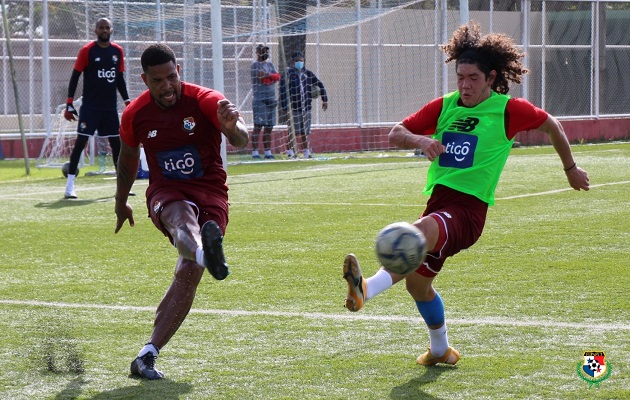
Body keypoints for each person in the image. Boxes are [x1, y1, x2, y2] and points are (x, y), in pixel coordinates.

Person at [343, 22, 590, 367]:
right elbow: (396, 132)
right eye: (460, 77)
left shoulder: (507, 109)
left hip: (468, 212)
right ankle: (441, 349)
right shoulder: (445, 106)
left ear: (490, 78)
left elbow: (553, 125)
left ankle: (366, 288)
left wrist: (570, 169)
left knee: (421, 231)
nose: (464, 85)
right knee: (418, 287)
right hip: (439, 202)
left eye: (473, 78)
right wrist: (420, 140)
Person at [114, 43, 248, 380]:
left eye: (171, 77)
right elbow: (128, 159)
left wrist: (232, 128)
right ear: (145, 80)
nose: (167, 86)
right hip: (167, 192)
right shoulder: (135, 114)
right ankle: (208, 257)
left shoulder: (205, 100)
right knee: (183, 224)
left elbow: (241, 139)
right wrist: (120, 201)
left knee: (188, 272)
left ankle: (147, 355)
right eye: (158, 80)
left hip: (211, 191)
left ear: (179, 72)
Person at [63, 17, 131, 199]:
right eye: (101, 27)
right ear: (95, 30)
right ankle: (69, 186)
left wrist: (127, 101)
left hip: (109, 109)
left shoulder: (118, 51)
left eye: (107, 27)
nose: (104, 30)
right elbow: (75, 76)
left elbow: (119, 79)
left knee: (117, 145)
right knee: (80, 143)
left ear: (111, 30)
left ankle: (121, 186)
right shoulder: (87, 51)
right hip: (90, 108)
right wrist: (69, 102)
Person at [279, 51, 328, 159]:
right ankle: (289, 152)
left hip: (306, 107)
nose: (299, 62)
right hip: (294, 108)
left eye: (301, 60)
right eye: (297, 61)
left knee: (305, 132)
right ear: (292, 61)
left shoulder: (308, 74)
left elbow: (320, 84)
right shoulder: (289, 74)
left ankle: (306, 153)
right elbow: (282, 90)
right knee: (294, 132)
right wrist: (284, 107)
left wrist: (324, 99)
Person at [251, 44, 280, 159]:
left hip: (271, 99)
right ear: (258, 52)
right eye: (263, 51)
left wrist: (269, 75)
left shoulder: (270, 65)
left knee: (269, 127)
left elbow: (277, 77)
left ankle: (267, 152)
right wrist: (271, 77)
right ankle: (255, 152)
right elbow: (264, 80)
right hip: (260, 100)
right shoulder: (255, 65)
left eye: (267, 51)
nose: (266, 53)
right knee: (258, 126)